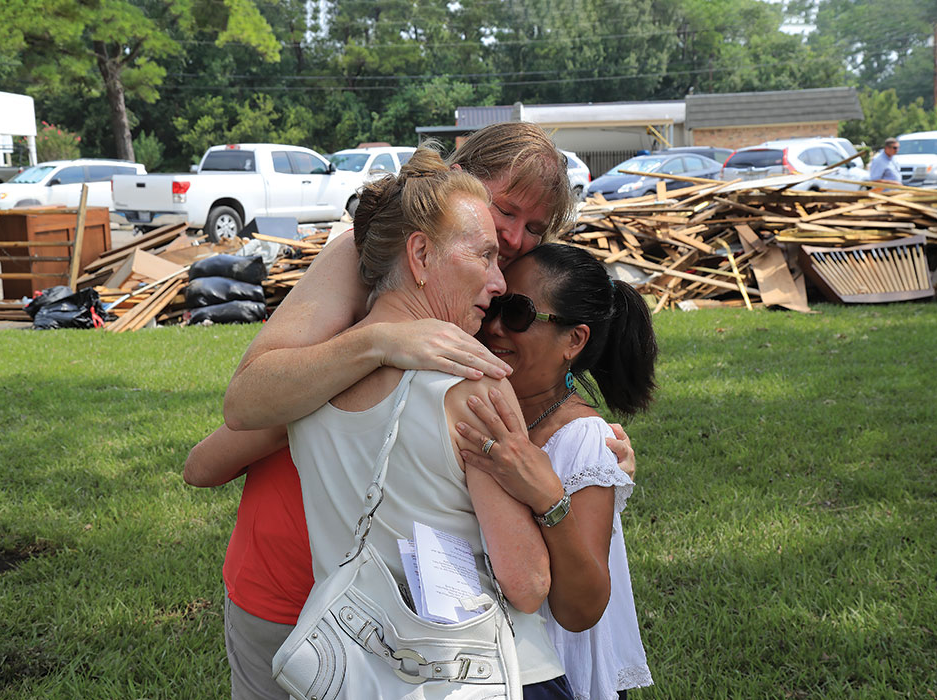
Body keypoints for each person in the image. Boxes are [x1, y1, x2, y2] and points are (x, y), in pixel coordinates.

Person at [184, 123, 634, 699]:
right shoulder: (369, 253)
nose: (515, 237)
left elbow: (503, 409)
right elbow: (240, 413)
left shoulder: (481, 299)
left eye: (535, 228)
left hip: (418, 621)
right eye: (505, 209)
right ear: (458, 181)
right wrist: (377, 346)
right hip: (297, 577)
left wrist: (585, 445)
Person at [289, 146, 581, 697]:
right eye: (484, 256)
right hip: (494, 674)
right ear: (420, 255)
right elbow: (527, 583)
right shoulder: (476, 385)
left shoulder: (310, 380)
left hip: (361, 676)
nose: (499, 282)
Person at [454, 243, 656, 699]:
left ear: (574, 341)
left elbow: (583, 607)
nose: (494, 326)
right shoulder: (500, 408)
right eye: (495, 305)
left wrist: (547, 497)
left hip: (557, 675)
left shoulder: (584, 440)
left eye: (519, 314)